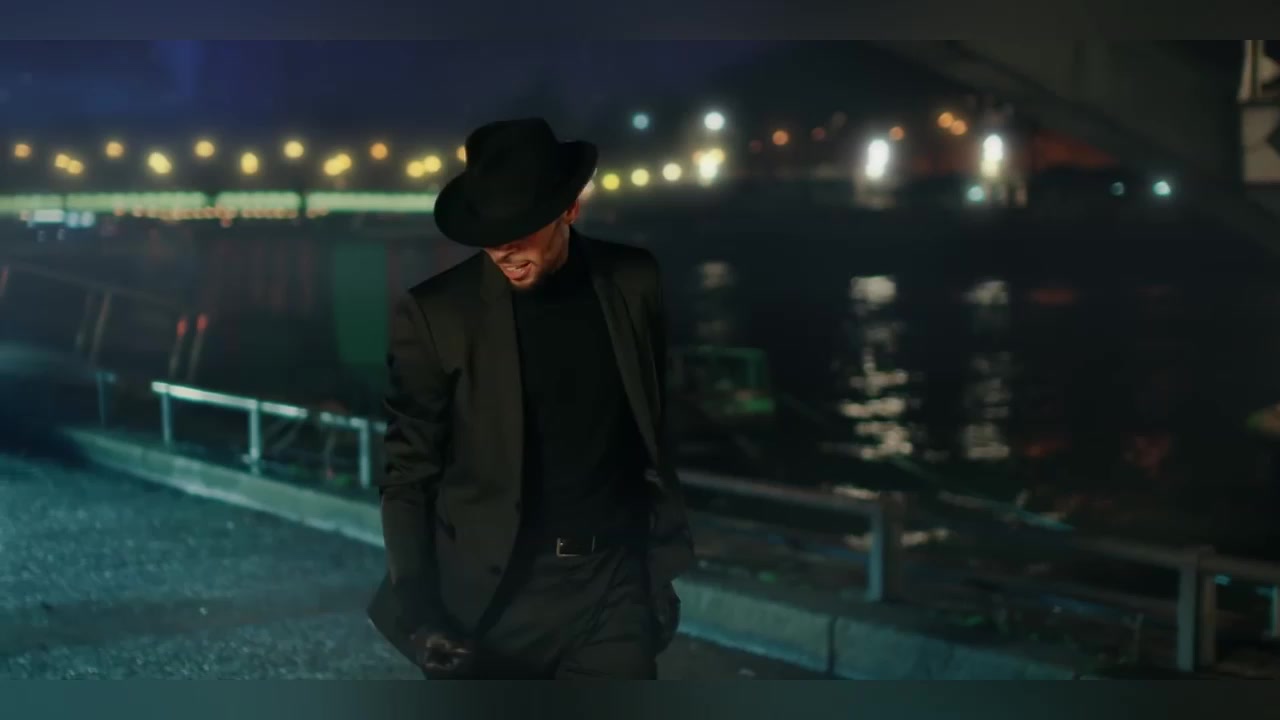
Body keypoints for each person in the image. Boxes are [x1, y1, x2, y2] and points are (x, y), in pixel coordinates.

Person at [366, 117, 695, 679]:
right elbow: (407, 473)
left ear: (570, 210)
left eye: (520, 230)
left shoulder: (634, 281)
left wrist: (654, 573)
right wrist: (420, 612)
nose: (503, 248)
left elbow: (651, 422)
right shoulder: (437, 314)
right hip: (490, 598)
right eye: (489, 233)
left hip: (612, 586)